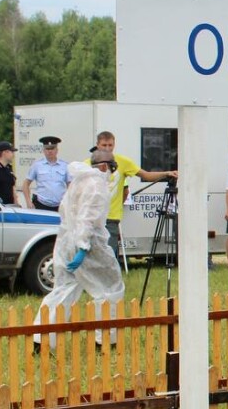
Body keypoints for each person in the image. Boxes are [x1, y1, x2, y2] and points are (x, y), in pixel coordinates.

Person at [32, 150, 125, 350]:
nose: (113, 171)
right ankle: (106, 341)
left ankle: (41, 340)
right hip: (89, 245)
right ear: (104, 166)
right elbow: (87, 219)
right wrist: (83, 247)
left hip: (66, 243)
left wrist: (75, 244)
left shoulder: (78, 182)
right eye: (113, 166)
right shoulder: (97, 186)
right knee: (110, 289)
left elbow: (65, 212)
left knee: (63, 290)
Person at [88, 131, 178, 259]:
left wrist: (166, 173)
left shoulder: (122, 162)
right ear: (97, 145)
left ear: (114, 145)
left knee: (108, 257)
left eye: (110, 145)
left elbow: (146, 175)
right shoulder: (88, 163)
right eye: (104, 145)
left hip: (111, 218)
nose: (107, 148)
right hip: (91, 217)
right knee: (91, 257)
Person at [22, 135, 71, 211]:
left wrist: (69, 201)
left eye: (52, 148)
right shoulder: (37, 165)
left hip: (59, 206)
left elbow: (70, 185)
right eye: (47, 149)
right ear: (43, 150)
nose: (50, 151)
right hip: (41, 204)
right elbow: (26, 184)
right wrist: (28, 201)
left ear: (57, 150)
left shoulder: (65, 166)